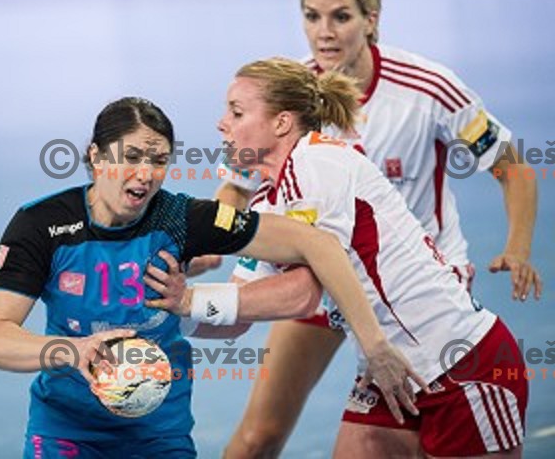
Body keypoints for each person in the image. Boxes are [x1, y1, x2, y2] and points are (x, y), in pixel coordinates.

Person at [209, 0, 541, 458]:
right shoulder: (285, 96)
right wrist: (206, 244)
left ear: (372, 19)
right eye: (311, 16)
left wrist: (517, 247)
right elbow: (237, 192)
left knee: (416, 410)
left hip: (413, 288)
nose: (323, 32)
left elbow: (512, 166)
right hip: (322, 279)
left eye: (340, 16)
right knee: (260, 433)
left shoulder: (428, 87)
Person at [0, 96, 421, 459]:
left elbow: (318, 245)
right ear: (95, 157)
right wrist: (74, 352)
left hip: (159, 434)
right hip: (66, 430)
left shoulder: (180, 218)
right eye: (131, 157)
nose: (145, 175)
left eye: (159, 161)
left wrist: (374, 344)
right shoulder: (42, 225)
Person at [150, 59, 529, 458]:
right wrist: (163, 312)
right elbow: (238, 315)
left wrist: (189, 300)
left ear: (281, 123)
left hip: (460, 363)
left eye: (237, 112)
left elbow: (301, 296)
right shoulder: (268, 201)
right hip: (390, 373)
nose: (221, 123)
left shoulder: (317, 164)